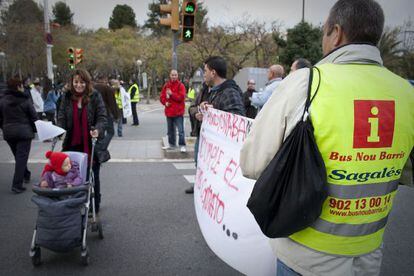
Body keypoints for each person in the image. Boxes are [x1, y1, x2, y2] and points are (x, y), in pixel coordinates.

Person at [240, 0, 414, 275]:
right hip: (369, 253)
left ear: (336, 32)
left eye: (323, 32)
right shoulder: (407, 93)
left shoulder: (305, 83)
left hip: (305, 254)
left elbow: (252, 163)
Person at [57, 69, 107, 213]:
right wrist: (58, 130)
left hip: (91, 144)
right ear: (72, 83)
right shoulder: (66, 97)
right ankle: (73, 204)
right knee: (71, 176)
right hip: (71, 144)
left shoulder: (95, 96)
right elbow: (61, 117)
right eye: (76, 82)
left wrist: (98, 129)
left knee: (93, 175)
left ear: (87, 82)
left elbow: (102, 117)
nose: (79, 85)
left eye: (82, 82)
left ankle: (94, 206)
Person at [0, 77, 38, 193]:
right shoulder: (25, 100)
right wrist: (35, 129)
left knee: (19, 156)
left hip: (8, 133)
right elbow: (34, 117)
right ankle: (17, 185)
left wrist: (4, 127)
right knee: (21, 157)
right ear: (18, 87)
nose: (23, 88)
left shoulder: (2, 101)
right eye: (21, 86)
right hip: (24, 133)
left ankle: (26, 174)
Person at [185, 82, 210, 194]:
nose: (204, 75)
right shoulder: (203, 90)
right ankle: (198, 184)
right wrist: (197, 112)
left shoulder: (224, 91)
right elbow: (192, 107)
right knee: (197, 160)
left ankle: (209, 187)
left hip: (214, 137)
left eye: (205, 71)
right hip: (201, 132)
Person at [160, 69, 187, 152]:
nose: (174, 76)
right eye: (172, 75)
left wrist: (172, 94)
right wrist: (165, 103)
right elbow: (162, 97)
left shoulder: (181, 85)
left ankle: (182, 145)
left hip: (178, 112)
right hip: (169, 112)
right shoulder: (166, 85)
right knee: (170, 131)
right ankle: (172, 144)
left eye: (175, 75)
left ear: (177, 76)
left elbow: (181, 97)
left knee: (180, 130)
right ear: (170, 75)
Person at [94, 76, 119, 154]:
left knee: (99, 132)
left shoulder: (92, 88)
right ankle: (101, 147)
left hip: (95, 113)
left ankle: (97, 147)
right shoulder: (107, 89)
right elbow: (112, 104)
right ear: (105, 80)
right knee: (110, 132)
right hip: (105, 113)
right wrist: (116, 115)